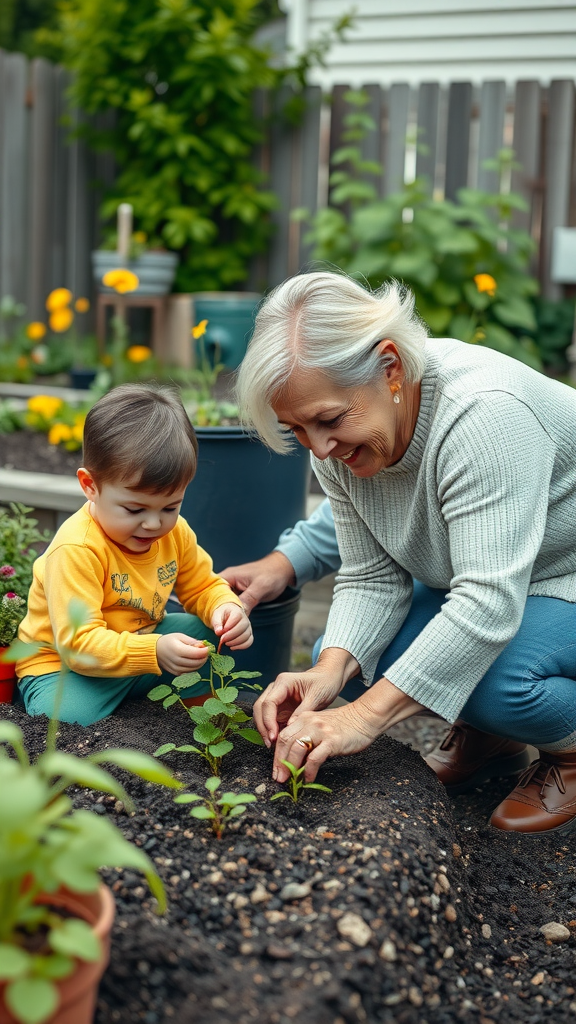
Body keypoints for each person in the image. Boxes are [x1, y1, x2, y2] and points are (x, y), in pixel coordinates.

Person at [229, 270, 576, 836]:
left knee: (494, 680)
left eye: (330, 420)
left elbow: (486, 604)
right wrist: (328, 673)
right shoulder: (342, 440)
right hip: (516, 588)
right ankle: (492, 737)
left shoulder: (484, 416)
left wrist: (361, 720)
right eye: (296, 429)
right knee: (344, 656)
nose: (320, 448)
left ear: (389, 366)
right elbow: (370, 577)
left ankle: (567, 751)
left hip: (566, 577)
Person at [16, 384, 253, 725]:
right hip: (65, 667)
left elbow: (202, 586)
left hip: (138, 651)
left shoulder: (175, 532)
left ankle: (199, 716)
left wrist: (226, 608)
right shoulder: (77, 549)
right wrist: (154, 652)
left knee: (206, 631)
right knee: (65, 721)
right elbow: (79, 645)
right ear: (90, 486)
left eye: (171, 506)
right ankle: (118, 705)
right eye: (134, 509)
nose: (154, 523)